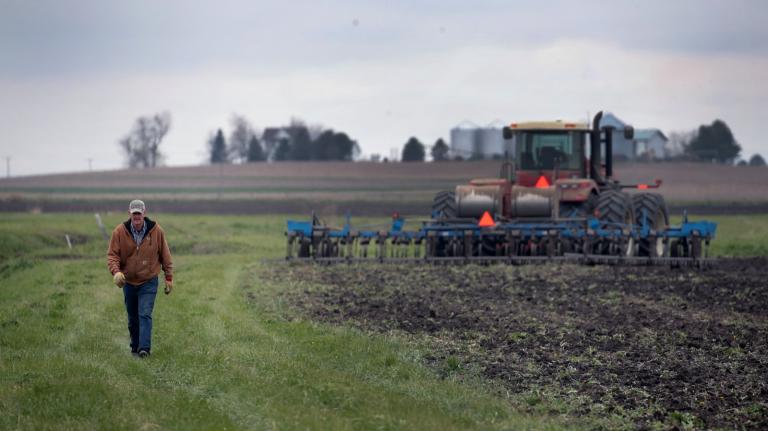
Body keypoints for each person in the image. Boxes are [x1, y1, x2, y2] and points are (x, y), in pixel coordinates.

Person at [107, 199, 173, 358]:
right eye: (134, 213)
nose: (136, 216)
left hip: (148, 280)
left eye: (139, 213)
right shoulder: (119, 232)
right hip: (128, 281)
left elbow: (165, 255)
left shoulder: (157, 231)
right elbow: (112, 256)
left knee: (144, 313)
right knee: (133, 318)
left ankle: (144, 349)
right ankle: (135, 347)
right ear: (129, 213)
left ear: (144, 213)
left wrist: (168, 277)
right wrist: (116, 272)